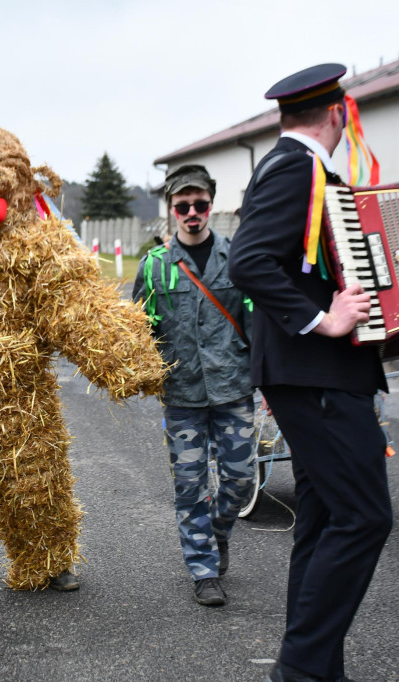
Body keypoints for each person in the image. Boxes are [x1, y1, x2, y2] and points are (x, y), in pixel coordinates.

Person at [229, 64, 393, 682]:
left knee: (324, 519)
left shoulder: (295, 166)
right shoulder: (299, 167)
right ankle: (299, 672)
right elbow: (248, 262)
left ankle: (317, 670)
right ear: (339, 114)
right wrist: (324, 319)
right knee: (365, 517)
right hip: (316, 372)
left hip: (316, 374)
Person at [132, 164, 254, 606]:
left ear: (211, 205)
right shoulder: (154, 267)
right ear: (171, 210)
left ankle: (217, 532)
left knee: (240, 480)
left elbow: (255, 322)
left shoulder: (238, 258)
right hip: (182, 394)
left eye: (200, 204)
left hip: (233, 388)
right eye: (182, 206)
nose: (192, 213)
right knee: (190, 485)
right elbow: (138, 329)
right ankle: (202, 569)